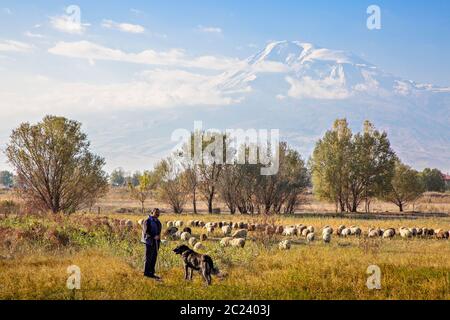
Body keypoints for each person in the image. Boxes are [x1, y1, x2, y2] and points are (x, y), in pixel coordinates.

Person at [141, 208, 162, 280]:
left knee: (154, 257)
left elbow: (159, 231)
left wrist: (158, 236)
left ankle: (151, 273)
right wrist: (154, 236)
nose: (157, 214)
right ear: (152, 212)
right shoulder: (147, 221)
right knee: (148, 258)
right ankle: (146, 273)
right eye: (156, 212)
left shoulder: (158, 222)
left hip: (156, 242)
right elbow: (146, 231)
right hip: (149, 242)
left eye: (158, 213)